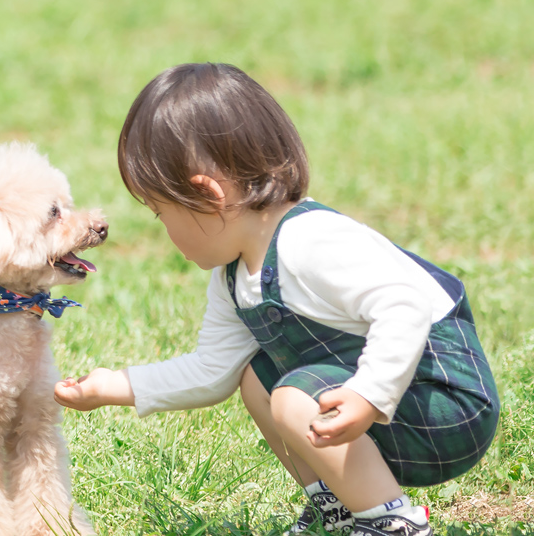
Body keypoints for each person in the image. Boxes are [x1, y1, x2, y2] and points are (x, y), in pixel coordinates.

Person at [54, 63, 497, 536]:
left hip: (443, 401)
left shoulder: (310, 241)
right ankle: (341, 507)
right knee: (256, 379)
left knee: (291, 395)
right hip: (384, 403)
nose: (164, 231)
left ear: (208, 196)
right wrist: (110, 387)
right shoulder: (233, 275)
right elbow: (211, 371)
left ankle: (390, 523)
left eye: (163, 213)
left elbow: (405, 305)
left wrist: (370, 392)